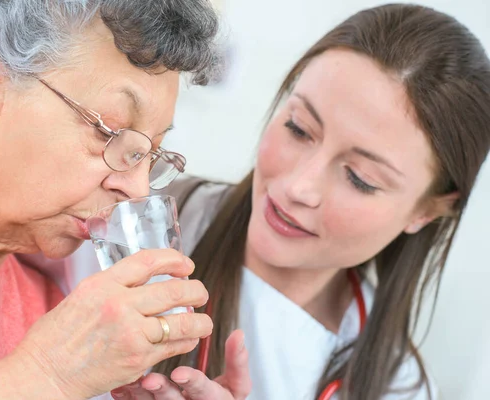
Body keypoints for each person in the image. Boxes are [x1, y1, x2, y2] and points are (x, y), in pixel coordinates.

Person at [61, 4, 490, 399]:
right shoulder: (116, 215)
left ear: (427, 211)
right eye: (299, 129)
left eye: (360, 179)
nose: (299, 187)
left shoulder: (401, 388)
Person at [0, 0, 242, 399]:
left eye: (149, 154)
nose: (138, 190)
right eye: (110, 132)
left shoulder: (43, 307)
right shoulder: (57, 349)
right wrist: (47, 375)